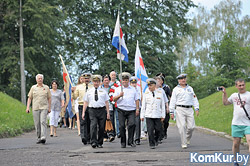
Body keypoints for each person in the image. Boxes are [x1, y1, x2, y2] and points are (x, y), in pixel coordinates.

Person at [221, 78, 250, 166]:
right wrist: (224, 94)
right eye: (239, 85)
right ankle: (235, 161)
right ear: (236, 86)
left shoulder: (249, 95)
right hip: (236, 123)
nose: (242, 87)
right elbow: (225, 103)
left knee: (249, 140)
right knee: (236, 144)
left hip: (247, 123)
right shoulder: (234, 96)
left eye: (243, 85)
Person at [169, 73, 199, 149]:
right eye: (181, 79)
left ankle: (187, 138)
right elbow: (172, 101)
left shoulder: (190, 88)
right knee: (182, 126)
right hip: (180, 109)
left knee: (191, 127)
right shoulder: (176, 89)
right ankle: (184, 143)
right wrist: (171, 112)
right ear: (179, 81)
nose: (183, 80)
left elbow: (194, 98)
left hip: (189, 109)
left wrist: (196, 108)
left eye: (184, 78)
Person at [82, 75, 110, 148]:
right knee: (93, 125)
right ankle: (93, 141)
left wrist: (108, 113)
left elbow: (107, 102)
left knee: (101, 127)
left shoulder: (103, 91)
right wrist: (83, 112)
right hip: (92, 110)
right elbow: (85, 102)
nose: (96, 83)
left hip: (101, 110)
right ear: (92, 82)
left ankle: (100, 142)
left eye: (97, 82)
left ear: (100, 82)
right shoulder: (89, 91)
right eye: (94, 82)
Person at [113, 72, 140, 148]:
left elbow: (137, 99)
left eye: (126, 80)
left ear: (128, 81)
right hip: (121, 109)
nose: (124, 81)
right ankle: (123, 141)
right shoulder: (118, 89)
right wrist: (119, 95)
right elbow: (114, 99)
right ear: (121, 81)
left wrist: (137, 109)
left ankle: (130, 141)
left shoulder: (133, 89)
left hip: (131, 109)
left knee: (132, 124)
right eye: (123, 80)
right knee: (121, 126)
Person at [26, 74, 51, 144]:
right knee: (37, 123)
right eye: (39, 78)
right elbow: (30, 98)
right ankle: (39, 137)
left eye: (41, 78)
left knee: (43, 122)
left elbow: (49, 98)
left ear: (43, 79)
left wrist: (49, 107)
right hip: (35, 108)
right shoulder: (33, 88)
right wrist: (28, 107)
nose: (40, 80)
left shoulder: (46, 87)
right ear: (36, 80)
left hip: (44, 107)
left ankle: (43, 137)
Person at [141, 78, 165, 149]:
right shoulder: (146, 93)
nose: (149, 87)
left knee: (158, 129)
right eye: (148, 85)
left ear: (154, 85)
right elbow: (143, 106)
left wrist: (163, 115)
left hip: (157, 114)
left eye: (151, 85)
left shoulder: (160, 93)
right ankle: (151, 143)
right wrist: (142, 115)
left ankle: (156, 139)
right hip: (149, 114)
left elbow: (162, 105)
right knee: (150, 129)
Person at [72, 73, 93, 145]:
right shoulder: (79, 87)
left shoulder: (92, 86)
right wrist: (73, 92)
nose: (86, 80)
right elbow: (75, 97)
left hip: (90, 106)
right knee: (83, 121)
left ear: (90, 79)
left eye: (88, 78)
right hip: (81, 105)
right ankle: (84, 137)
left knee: (90, 122)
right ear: (83, 79)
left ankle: (89, 138)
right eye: (85, 78)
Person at [155, 73, 171, 140]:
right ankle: (159, 135)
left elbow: (170, 96)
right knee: (159, 121)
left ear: (162, 81)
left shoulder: (166, 87)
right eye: (157, 80)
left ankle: (164, 131)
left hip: (165, 106)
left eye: (159, 80)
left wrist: (170, 107)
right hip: (158, 107)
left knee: (166, 121)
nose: (158, 81)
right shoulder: (153, 88)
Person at [102, 74, 115, 142]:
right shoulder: (101, 89)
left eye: (107, 80)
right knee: (103, 121)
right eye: (105, 80)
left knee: (111, 120)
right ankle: (104, 136)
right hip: (102, 107)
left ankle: (111, 134)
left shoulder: (112, 88)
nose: (106, 81)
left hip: (110, 107)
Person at [130, 76, 141, 145]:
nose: (134, 84)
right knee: (131, 124)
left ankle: (137, 138)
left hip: (137, 108)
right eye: (132, 83)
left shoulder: (139, 90)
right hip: (130, 109)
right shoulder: (129, 90)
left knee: (137, 124)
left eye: (135, 83)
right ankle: (131, 138)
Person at [109, 71, 121, 138]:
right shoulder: (108, 83)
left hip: (117, 102)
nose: (113, 76)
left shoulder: (118, 83)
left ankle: (118, 132)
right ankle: (112, 132)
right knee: (111, 119)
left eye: (114, 75)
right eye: (112, 75)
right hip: (110, 103)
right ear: (110, 76)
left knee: (117, 118)